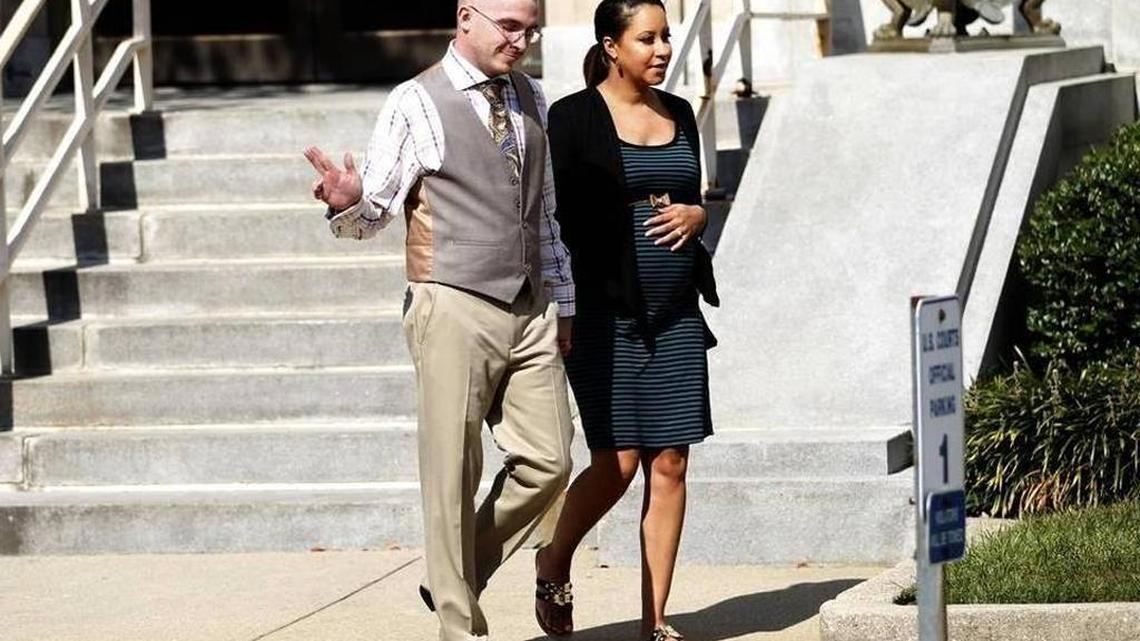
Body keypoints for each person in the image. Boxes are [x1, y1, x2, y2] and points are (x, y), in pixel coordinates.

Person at [302, 2, 576, 639]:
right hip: (451, 300)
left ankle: (455, 571)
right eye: (510, 25)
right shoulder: (415, 100)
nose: (523, 39)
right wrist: (349, 203)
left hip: (531, 304)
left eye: (531, 27)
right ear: (466, 18)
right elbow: (375, 210)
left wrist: (565, 300)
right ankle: (460, 626)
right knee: (452, 472)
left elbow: (547, 213)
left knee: (551, 462)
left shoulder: (533, 96)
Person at [534, 1, 720, 639]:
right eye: (647, 38)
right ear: (611, 46)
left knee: (670, 462)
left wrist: (698, 216)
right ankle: (554, 557)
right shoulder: (574, 117)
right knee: (617, 462)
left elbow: (691, 198)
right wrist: (558, 305)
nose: (663, 48)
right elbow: (548, 219)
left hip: (675, 315)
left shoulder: (682, 113)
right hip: (602, 316)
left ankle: (656, 622)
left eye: (666, 36)